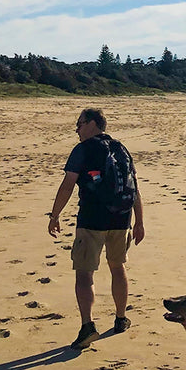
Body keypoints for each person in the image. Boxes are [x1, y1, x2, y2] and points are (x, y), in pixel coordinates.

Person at [49, 107, 145, 349]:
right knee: (117, 267)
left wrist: (55, 215)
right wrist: (140, 221)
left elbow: (67, 185)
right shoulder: (120, 148)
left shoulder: (83, 150)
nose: (77, 129)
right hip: (121, 219)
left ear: (92, 123)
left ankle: (87, 327)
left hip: (92, 219)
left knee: (84, 273)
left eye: (79, 124)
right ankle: (121, 318)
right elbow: (134, 188)